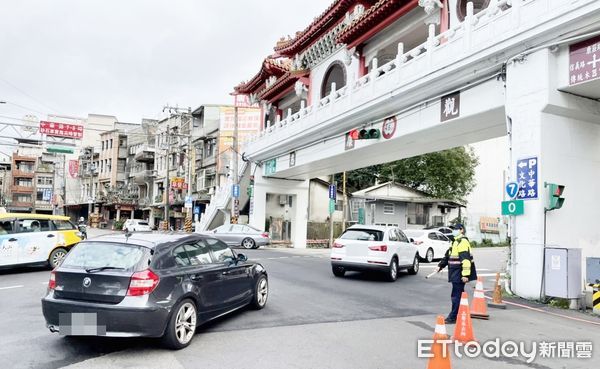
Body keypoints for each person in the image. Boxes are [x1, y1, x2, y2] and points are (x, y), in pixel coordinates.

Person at [437, 224, 476, 324]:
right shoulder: (455, 241)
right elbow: (448, 256)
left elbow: (466, 260)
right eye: (453, 229)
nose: (454, 230)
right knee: (457, 295)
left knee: (456, 295)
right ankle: (459, 315)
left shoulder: (462, 242)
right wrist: (441, 265)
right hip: (455, 272)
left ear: (461, 230)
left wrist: (465, 275)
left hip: (459, 273)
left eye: (456, 229)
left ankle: (453, 317)